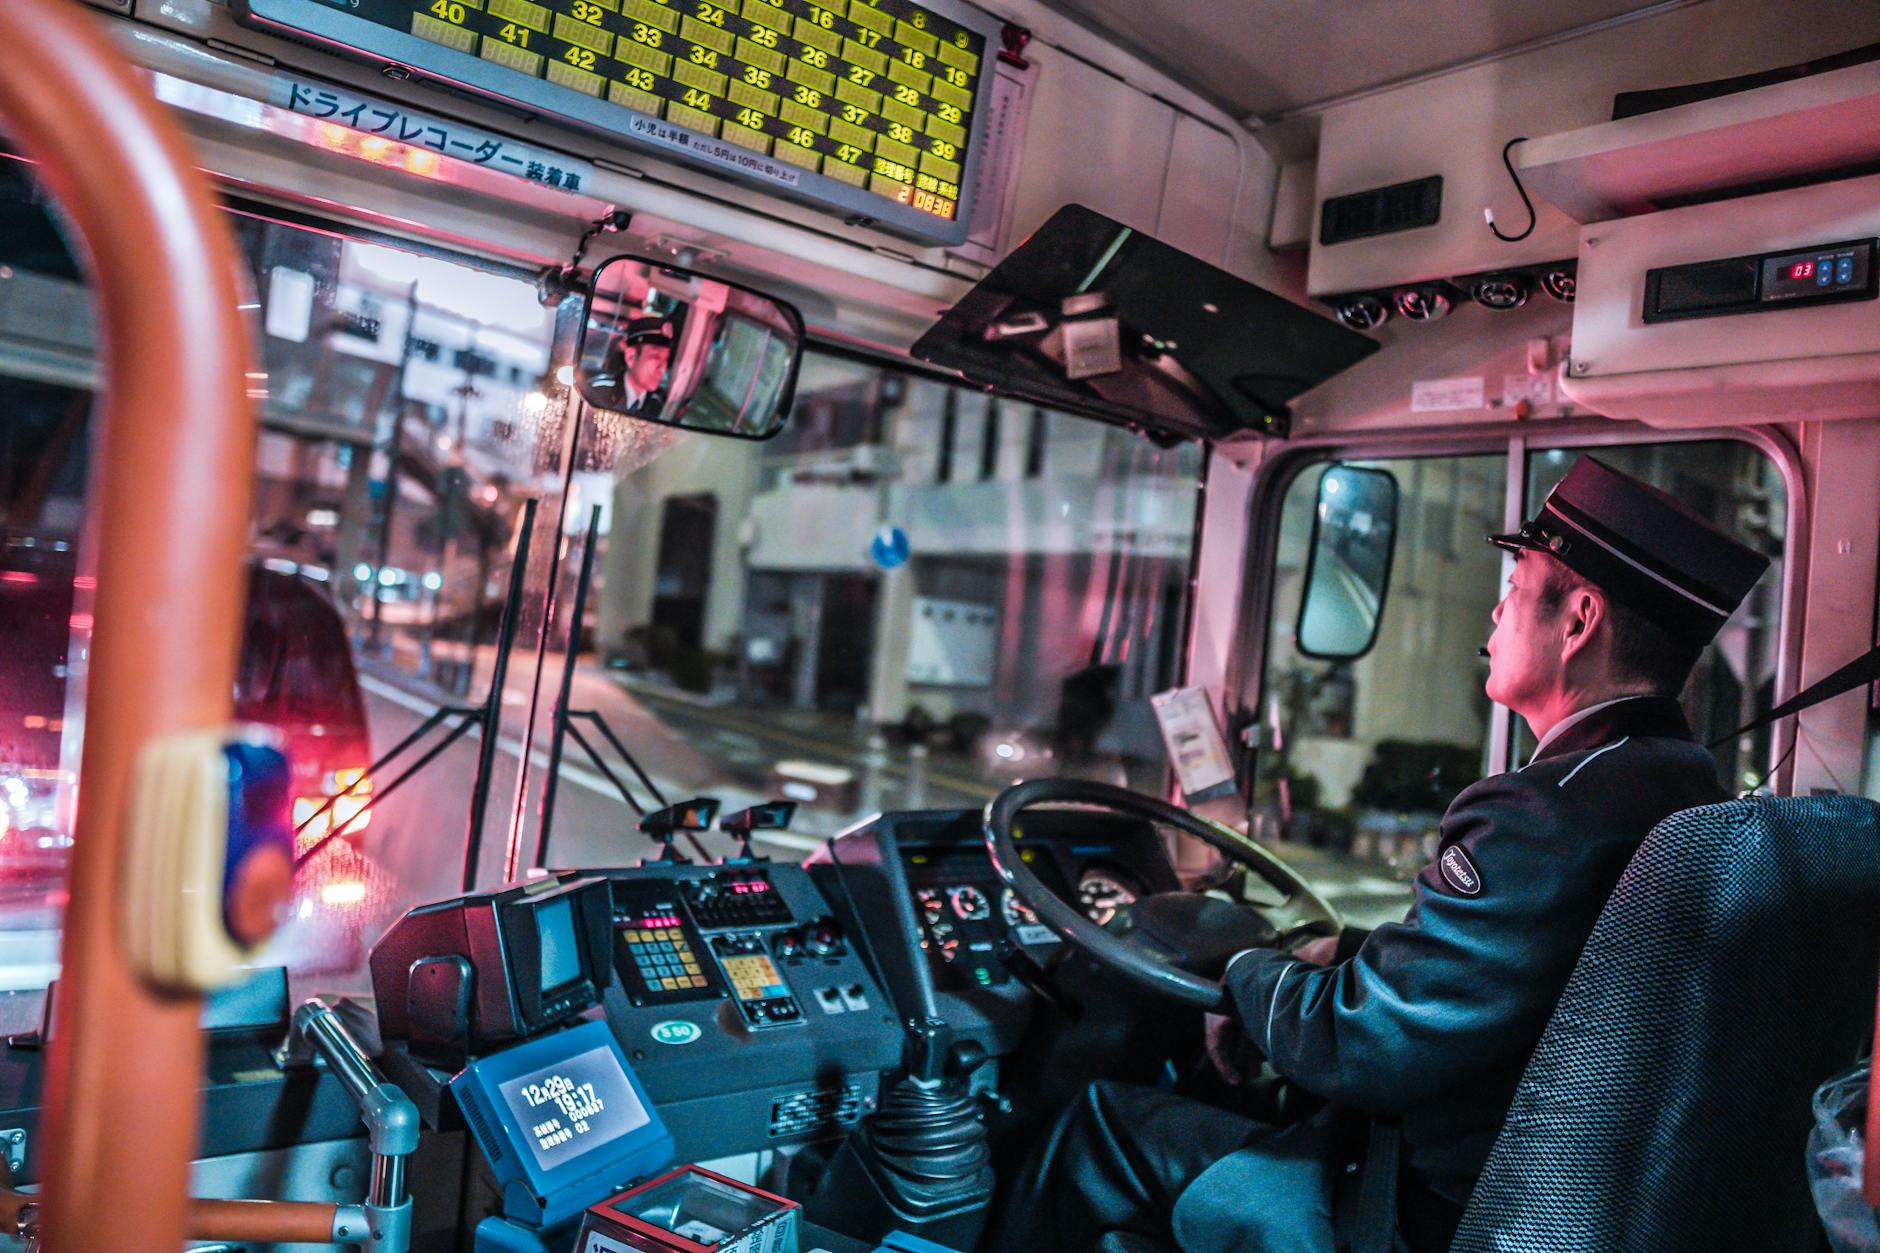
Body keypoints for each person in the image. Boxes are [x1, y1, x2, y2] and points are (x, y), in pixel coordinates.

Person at [991, 457, 1771, 1252]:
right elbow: (1527, 979)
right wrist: (1346, 949)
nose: (1496, 609)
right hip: (1555, 1194)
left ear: (1576, 621)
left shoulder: (1545, 812)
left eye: (1517, 582)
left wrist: (1246, 976)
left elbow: (1363, 1043)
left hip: (1421, 1212)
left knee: (1100, 1125)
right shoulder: (1681, 786)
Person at [587, 315, 673, 416]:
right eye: (656, 357)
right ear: (631, 357)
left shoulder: (659, 403)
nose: (663, 368)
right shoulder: (597, 393)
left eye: (666, 359)